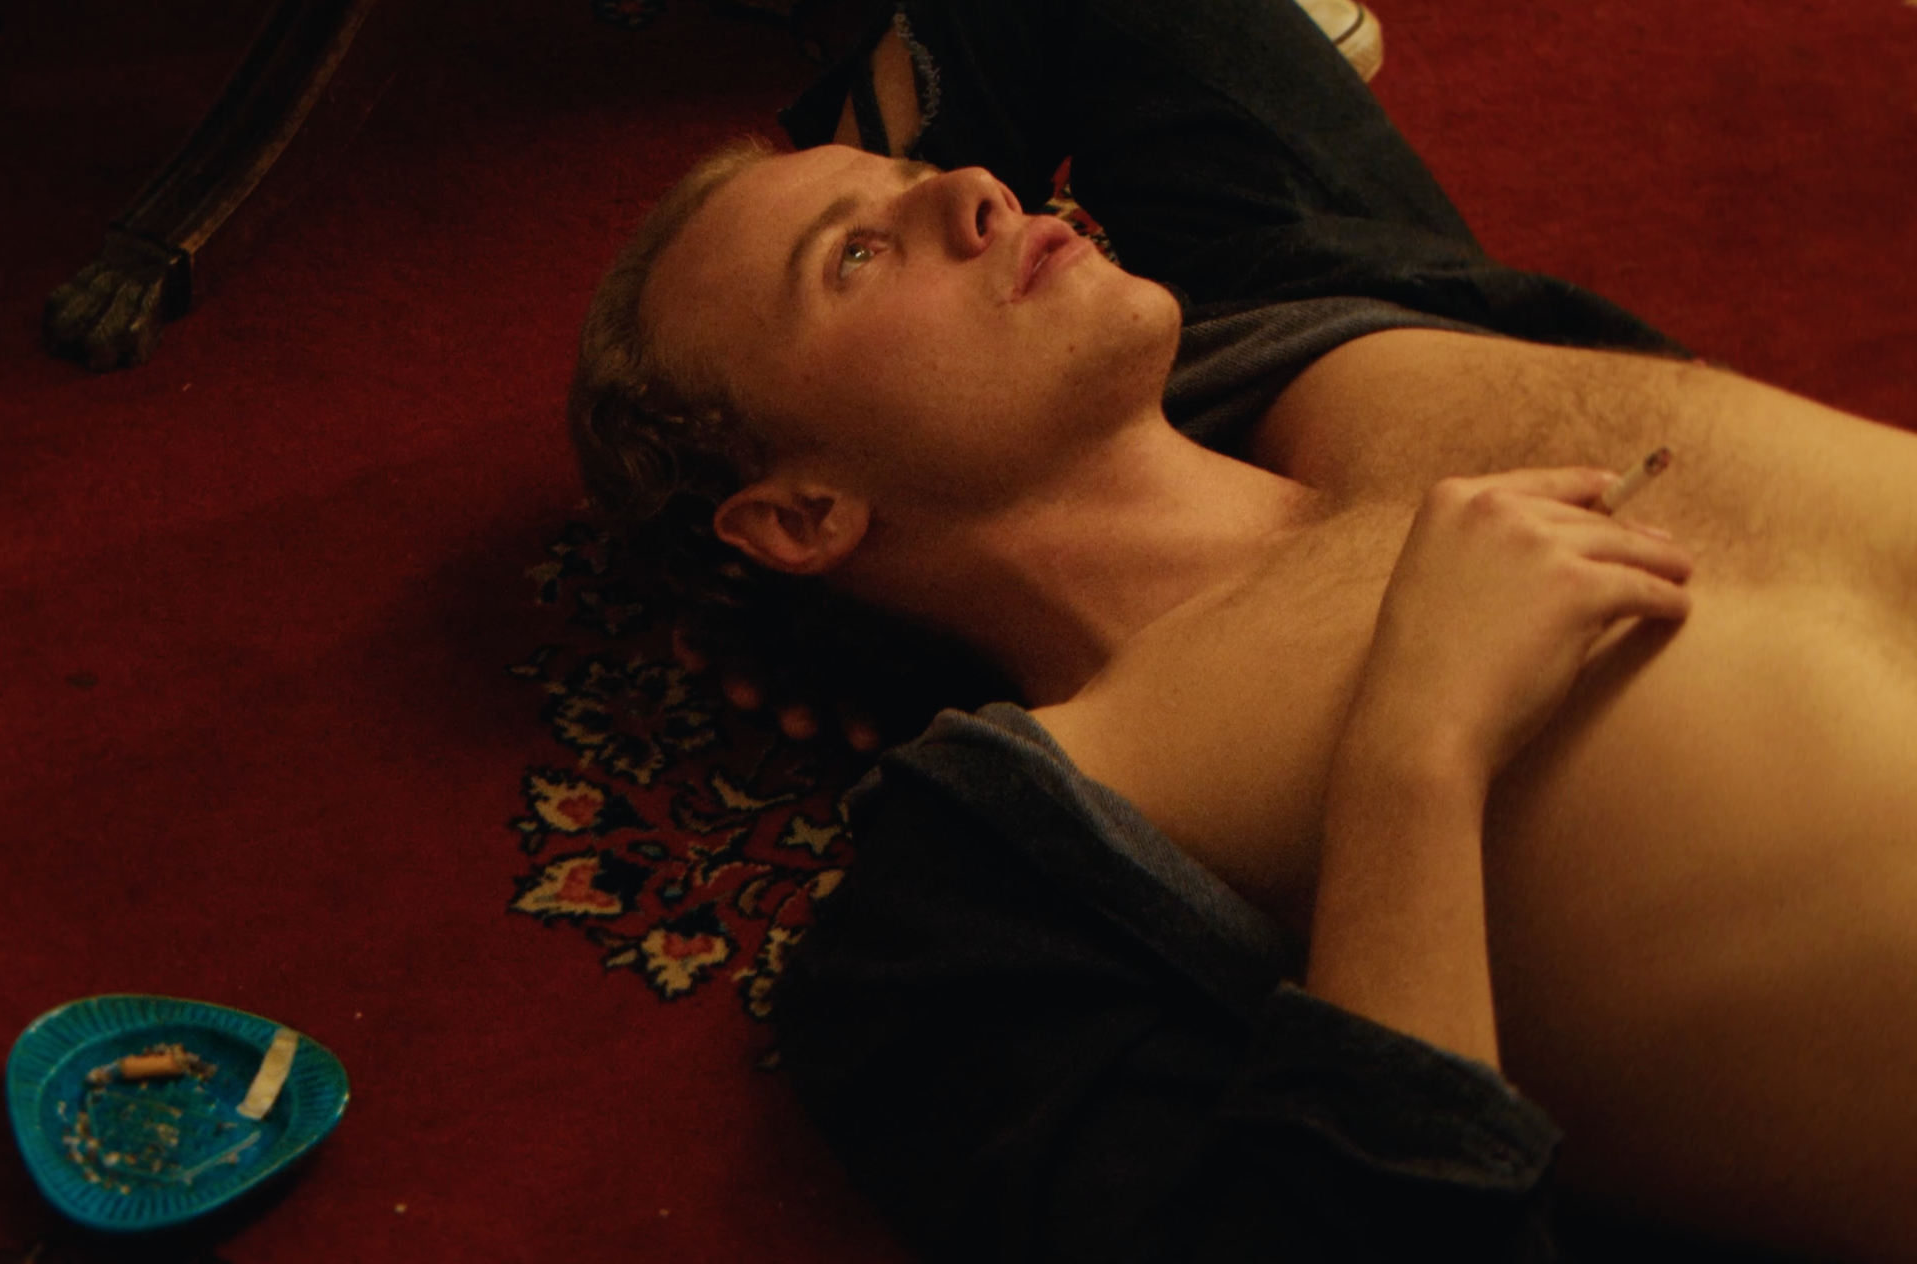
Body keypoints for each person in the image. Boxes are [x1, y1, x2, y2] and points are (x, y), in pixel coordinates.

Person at [566, 0, 1917, 1259]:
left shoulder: (1292, 311)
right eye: (853, 258)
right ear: (802, 515)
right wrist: (1414, 749)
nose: (979, 190)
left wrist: (789, 633)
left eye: (913, 178)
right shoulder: (955, 903)